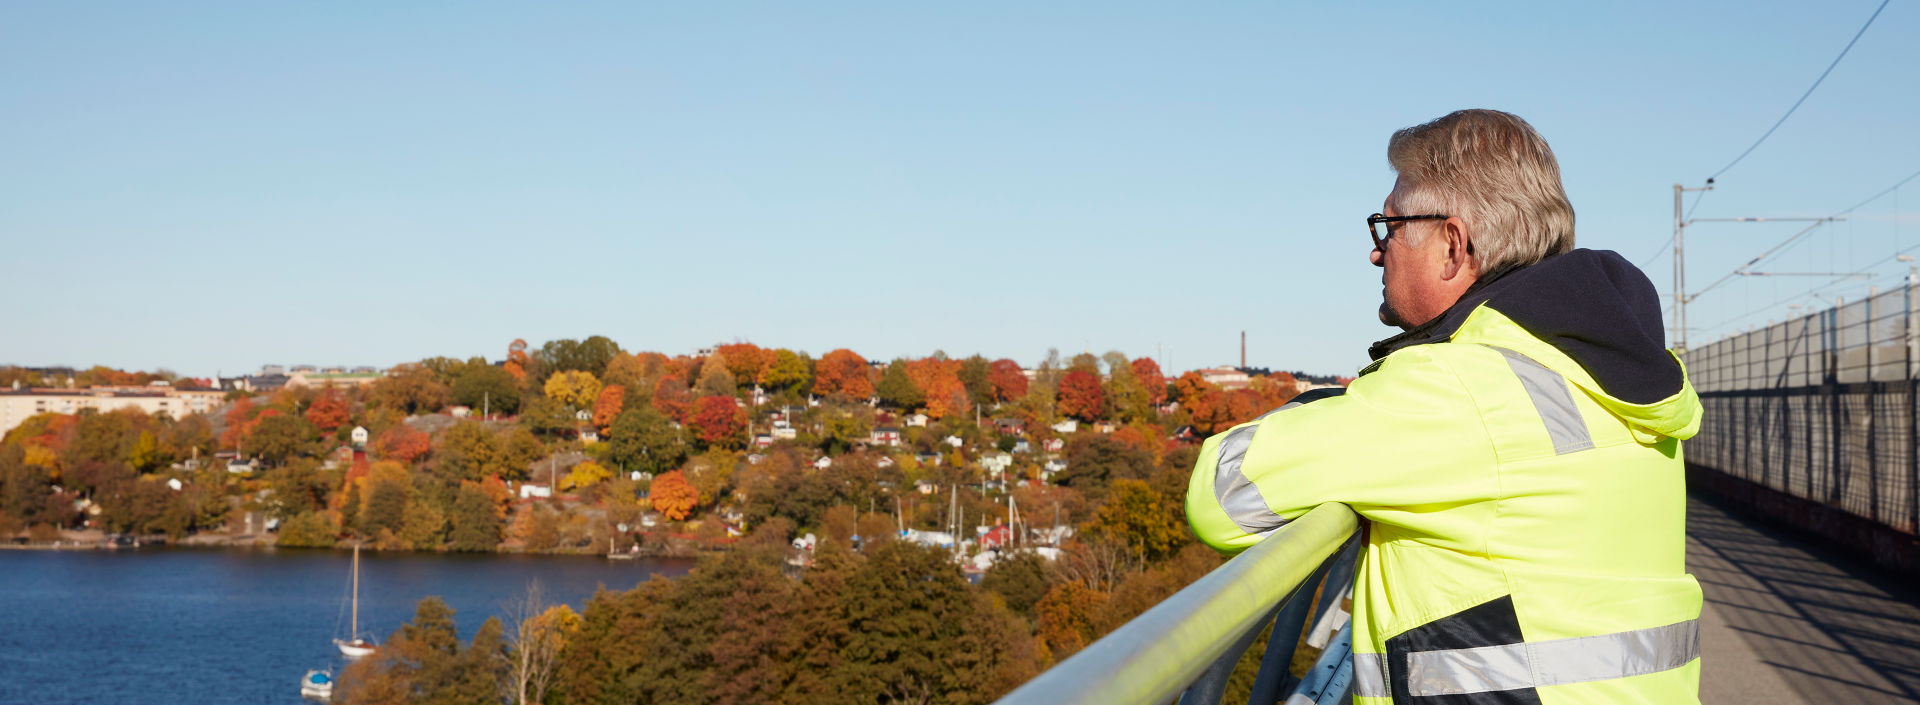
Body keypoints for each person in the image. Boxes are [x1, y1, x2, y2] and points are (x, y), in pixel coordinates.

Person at [1186, 109, 1704, 704]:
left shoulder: (1461, 386)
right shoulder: (1613, 375)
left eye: (1390, 227)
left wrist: (1326, 406)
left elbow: (1226, 496)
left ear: (1452, 245)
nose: (1377, 255)